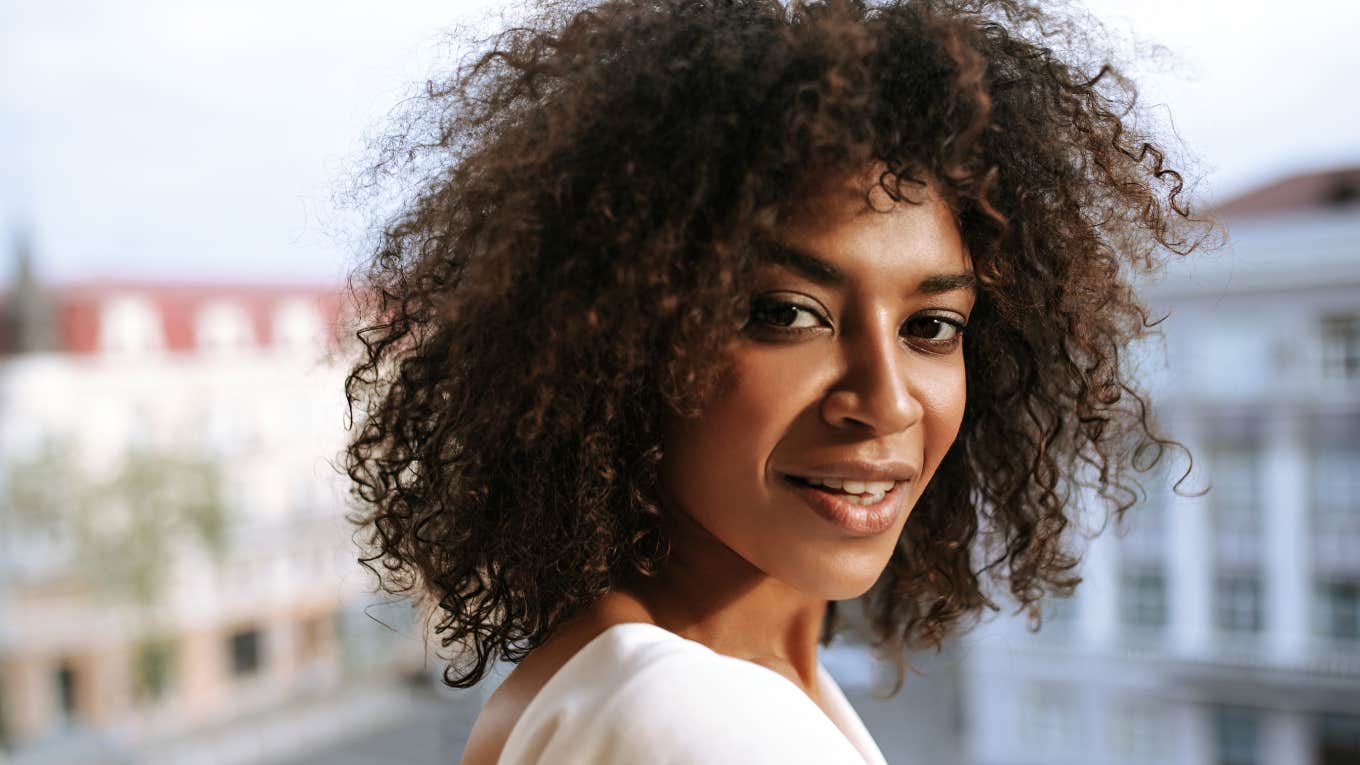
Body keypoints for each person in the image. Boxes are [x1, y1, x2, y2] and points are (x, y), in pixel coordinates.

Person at [344, 0, 1205, 761]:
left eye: (931, 327)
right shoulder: (696, 720)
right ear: (625, 339)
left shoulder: (601, 676)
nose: (888, 399)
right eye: (787, 313)